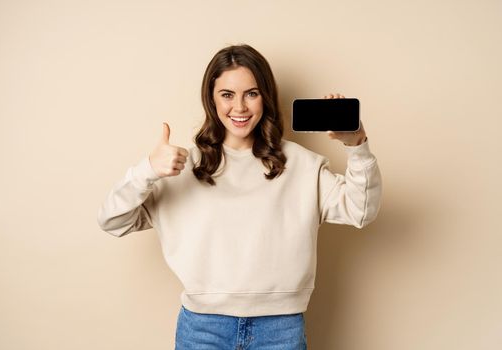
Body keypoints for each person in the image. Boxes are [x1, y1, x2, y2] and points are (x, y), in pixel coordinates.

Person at [97, 44, 382, 349]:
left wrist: (357, 145)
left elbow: (360, 210)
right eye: (227, 95)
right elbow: (112, 221)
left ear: (266, 97)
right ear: (212, 98)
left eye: (252, 93)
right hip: (203, 328)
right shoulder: (180, 167)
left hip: (280, 329)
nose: (240, 108)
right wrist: (147, 170)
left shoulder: (301, 165)